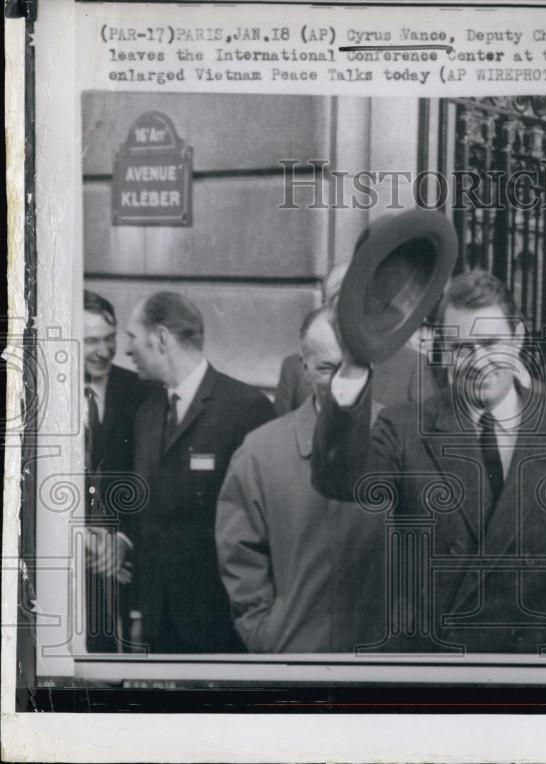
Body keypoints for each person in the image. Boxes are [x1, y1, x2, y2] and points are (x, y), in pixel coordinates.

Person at [311, 270, 546, 654]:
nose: (480, 361)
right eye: (463, 347)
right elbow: (337, 480)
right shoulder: (403, 429)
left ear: (517, 339)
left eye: (491, 342)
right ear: (443, 350)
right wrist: (352, 366)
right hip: (438, 677)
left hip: (538, 677)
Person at [215, 307, 387, 652]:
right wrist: (268, 634)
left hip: (382, 660)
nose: (341, 381)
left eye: (351, 367)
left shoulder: (396, 439)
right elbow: (239, 557)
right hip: (295, 659)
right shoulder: (259, 453)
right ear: (303, 366)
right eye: (327, 368)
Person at [125, 291, 275, 653]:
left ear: (160, 338)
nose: (127, 350)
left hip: (222, 623)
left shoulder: (246, 409)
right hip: (160, 624)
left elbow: (266, 523)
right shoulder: (147, 413)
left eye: (131, 337)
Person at [81, 290, 153, 652]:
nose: (105, 351)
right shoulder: (35, 392)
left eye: (110, 339)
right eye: (91, 341)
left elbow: (152, 480)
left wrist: (122, 543)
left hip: (122, 566)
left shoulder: (142, 391)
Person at [273, 263, 438, 416]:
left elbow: (425, 435)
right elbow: (281, 436)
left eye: (358, 297)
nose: (348, 308)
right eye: (338, 299)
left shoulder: (410, 366)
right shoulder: (295, 369)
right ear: (323, 306)